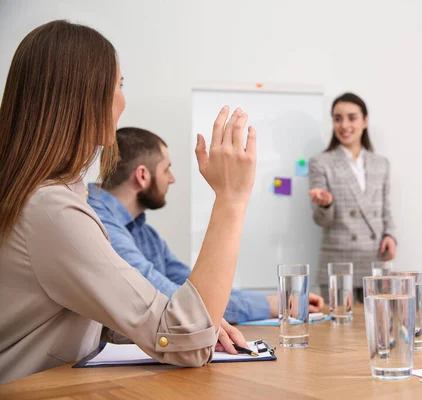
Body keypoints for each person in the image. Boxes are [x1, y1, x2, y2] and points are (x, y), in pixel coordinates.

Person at [0, 20, 253, 384]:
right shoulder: (51, 211)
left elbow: (89, 318)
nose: (123, 99)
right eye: (119, 85)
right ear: (85, 96)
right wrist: (232, 199)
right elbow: (184, 341)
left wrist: (189, 327)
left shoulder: (57, 198)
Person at [88, 127, 324, 323]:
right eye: (166, 169)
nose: (172, 179)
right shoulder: (97, 223)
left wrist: (280, 301)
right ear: (142, 175)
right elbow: (178, 303)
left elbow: (192, 287)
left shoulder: (144, 233)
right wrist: (272, 305)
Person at [309, 93, 396, 298]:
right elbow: (321, 220)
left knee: (377, 325)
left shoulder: (380, 163)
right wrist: (325, 204)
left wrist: (390, 234)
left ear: (365, 121)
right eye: (338, 118)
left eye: (351, 117)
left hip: (374, 261)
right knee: (338, 328)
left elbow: (386, 208)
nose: (344, 125)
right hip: (338, 265)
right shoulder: (321, 162)